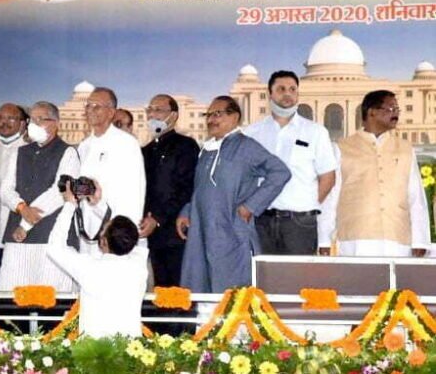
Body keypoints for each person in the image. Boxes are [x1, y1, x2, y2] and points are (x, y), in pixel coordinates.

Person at [177, 96, 290, 293]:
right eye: (208, 115)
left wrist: (251, 206)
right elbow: (200, 189)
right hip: (202, 232)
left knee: (233, 298)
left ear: (234, 117)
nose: (211, 119)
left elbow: (280, 172)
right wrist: (187, 211)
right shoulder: (207, 150)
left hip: (231, 234)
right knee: (202, 291)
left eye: (217, 114)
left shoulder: (247, 146)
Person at [318, 90, 432, 257]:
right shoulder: (342, 148)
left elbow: (416, 198)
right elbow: (330, 197)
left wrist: (420, 240)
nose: (396, 114)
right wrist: (324, 240)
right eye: (391, 109)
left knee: (396, 284)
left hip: (398, 239)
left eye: (397, 110)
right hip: (354, 241)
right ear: (372, 112)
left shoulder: (406, 149)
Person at [244, 71, 336, 255]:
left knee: (298, 279)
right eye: (281, 89)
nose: (287, 94)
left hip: (300, 224)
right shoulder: (252, 133)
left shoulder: (315, 132)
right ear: (270, 94)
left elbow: (328, 177)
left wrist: (304, 204)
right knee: (263, 280)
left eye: (292, 89)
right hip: (262, 221)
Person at [47, 180, 147, 338]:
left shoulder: (90, 268)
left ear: (104, 242)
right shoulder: (139, 266)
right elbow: (127, 233)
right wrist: (98, 203)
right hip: (130, 354)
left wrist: (69, 204)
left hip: (92, 355)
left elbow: (54, 247)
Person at [0, 101, 79, 291]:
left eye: (41, 119)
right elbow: (5, 190)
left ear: (56, 123)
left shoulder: (68, 152)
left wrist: (25, 223)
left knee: (50, 299)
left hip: (50, 234)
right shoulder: (20, 152)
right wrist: (21, 208)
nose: (34, 124)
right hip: (17, 236)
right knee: (12, 296)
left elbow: (60, 192)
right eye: (32, 119)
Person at [75, 87, 145, 255]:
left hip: (116, 236)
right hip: (87, 233)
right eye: (88, 106)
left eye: (97, 106)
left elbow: (135, 193)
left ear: (111, 112)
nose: (90, 110)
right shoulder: (84, 146)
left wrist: (120, 236)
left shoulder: (126, 144)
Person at [140, 95, 199, 288]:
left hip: (175, 233)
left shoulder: (185, 146)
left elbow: (186, 188)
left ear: (173, 116)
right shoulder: (145, 151)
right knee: (157, 292)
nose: (152, 115)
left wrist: (157, 218)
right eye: (150, 110)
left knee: (177, 294)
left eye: (158, 110)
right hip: (149, 236)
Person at [0, 103, 28, 290]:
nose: (4, 122)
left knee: (14, 291)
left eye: (11, 118)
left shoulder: (30, 153)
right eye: (1, 118)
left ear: (23, 123)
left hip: (17, 233)